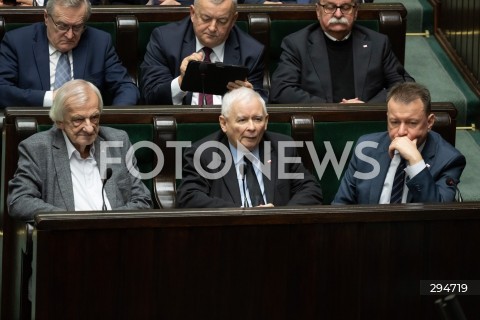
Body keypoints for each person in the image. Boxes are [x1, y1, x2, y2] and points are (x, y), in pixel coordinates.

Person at [8, 80, 152, 221]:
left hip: (117, 237)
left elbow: (143, 201)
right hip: (66, 239)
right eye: (78, 120)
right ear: (60, 121)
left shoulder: (117, 141)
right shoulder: (37, 148)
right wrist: (71, 221)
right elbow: (20, 201)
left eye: (94, 117)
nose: (89, 128)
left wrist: (105, 223)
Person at [176, 87, 323, 208]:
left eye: (257, 119)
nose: (251, 127)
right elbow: (189, 197)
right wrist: (242, 214)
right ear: (224, 123)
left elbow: (311, 190)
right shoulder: (204, 153)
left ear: (266, 121)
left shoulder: (283, 147)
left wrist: (280, 215)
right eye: (242, 120)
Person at [332, 82, 466, 204]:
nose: (401, 132)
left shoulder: (449, 159)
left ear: (429, 122)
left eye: (412, 123)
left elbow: (439, 217)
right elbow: (341, 206)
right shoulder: (366, 147)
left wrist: (416, 162)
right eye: (394, 122)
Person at [0, 0, 139, 108]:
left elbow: (126, 87)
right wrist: (52, 98)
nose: (70, 34)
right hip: (37, 127)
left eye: (77, 27)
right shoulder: (17, 42)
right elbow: (2, 90)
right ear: (46, 18)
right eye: (62, 26)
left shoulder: (100, 42)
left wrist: (109, 121)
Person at [269, 0, 412, 104]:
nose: (338, 14)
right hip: (319, 124)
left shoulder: (378, 43)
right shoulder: (297, 44)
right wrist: (332, 109)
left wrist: (367, 108)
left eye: (345, 7)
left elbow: (405, 86)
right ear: (318, 11)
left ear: (355, 12)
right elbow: (281, 91)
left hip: (371, 122)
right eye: (330, 7)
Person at [140, 0, 266, 105]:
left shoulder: (252, 51)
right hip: (180, 127)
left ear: (233, 19)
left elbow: (262, 107)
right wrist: (182, 81)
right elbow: (150, 97)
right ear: (193, 13)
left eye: (222, 21)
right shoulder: (165, 40)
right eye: (206, 19)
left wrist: (249, 98)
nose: (212, 28)